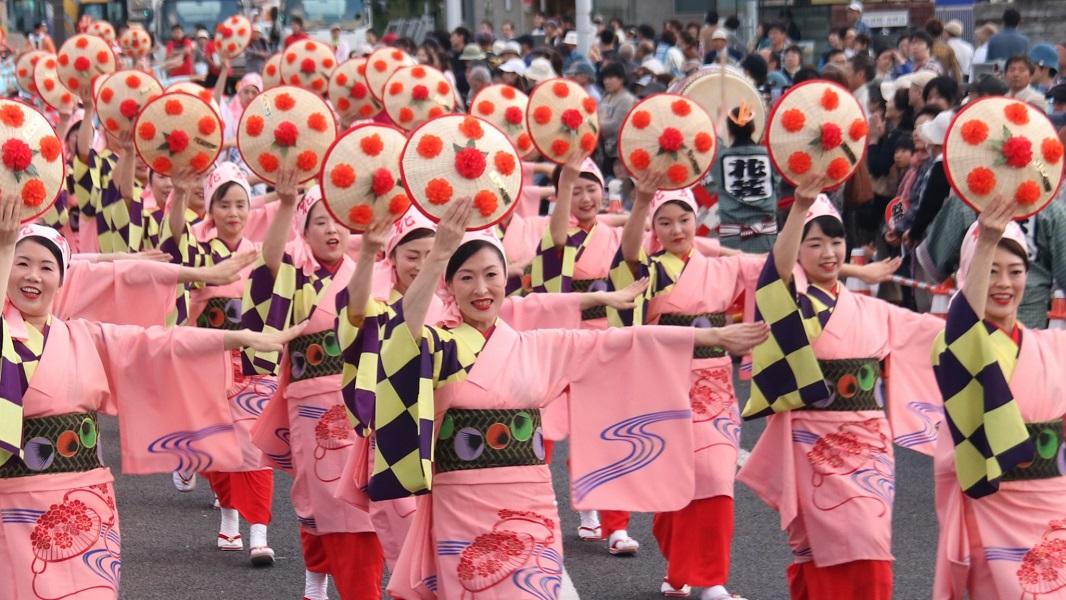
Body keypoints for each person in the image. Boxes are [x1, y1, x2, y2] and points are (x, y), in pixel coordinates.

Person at [360, 198, 769, 600]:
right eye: (466, 278)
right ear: (448, 286)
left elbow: (622, 341)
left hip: (530, 496)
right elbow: (402, 339)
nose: (481, 289)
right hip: (460, 499)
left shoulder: (539, 345)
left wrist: (711, 337)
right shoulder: (437, 343)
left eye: (490, 275)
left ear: (507, 279)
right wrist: (437, 258)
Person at [0, 194, 297, 600]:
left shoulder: (86, 334)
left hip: (87, 496)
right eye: (22, 263)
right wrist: (3, 244)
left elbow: (158, 344)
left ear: (63, 280)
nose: (33, 276)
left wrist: (237, 337)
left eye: (46, 267)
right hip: (14, 506)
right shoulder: (5, 336)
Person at [738, 173, 944, 600]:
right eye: (814, 244)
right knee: (819, 546)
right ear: (797, 251)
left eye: (835, 242)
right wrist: (800, 205)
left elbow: (944, 337)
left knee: (869, 540)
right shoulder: (790, 304)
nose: (829, 253)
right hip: (812, 441)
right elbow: (774, 274)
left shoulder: (873, 310)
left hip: (870, 444)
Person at [612, 176, 765, 600]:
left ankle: (711, 581)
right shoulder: (654, 272)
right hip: (667, 385)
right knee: (677, 483)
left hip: (716, 387)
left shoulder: (722, 267)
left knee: (716, 476)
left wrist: (804, 210)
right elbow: (627, 257)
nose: (677, 230)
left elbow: (780, 268)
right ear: (654, 230)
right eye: (665, 223)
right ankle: (680, 569)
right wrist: (641, 200)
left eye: (684, 219)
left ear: (697, 221)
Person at [242, 170, 387, 600]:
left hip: (361, 404)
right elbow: (269, 263)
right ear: (303, 233)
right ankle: (315, 579)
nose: (331, 229)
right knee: (315, 494)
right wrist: (286, 205)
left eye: (338, 220)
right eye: (319, 221)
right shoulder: (295, 274)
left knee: (361, 501)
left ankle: (354, 588)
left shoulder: (370, 270)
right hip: (308, 402)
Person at [931, 195, 1066, 599]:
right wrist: (986, 237)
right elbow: (963, 333)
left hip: (1053, 504)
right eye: (990, 272)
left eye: (1015, 271)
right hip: (994, 508)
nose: (1005, 284)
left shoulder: (1053, 345)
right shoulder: (955, 345)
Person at [164, 163, 278, 566]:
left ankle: (259, 533)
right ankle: (229, 514)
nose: (233, 212)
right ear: (211, 209)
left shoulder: (262, 252)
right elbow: (174, 246)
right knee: (218, 444)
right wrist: (178, 195)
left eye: (241, 204)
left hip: (255, 359)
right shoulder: (200, 249)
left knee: (253, 444)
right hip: (208, 356)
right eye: (224, 204)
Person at [711, 104, 778, 253]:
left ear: (730, 130)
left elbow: (713, 142)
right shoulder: (770, 156)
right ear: (754, 128)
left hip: (731, 241)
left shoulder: (720, 157)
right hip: (766, 239)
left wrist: (719, 122)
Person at [597, 62, 636, 177]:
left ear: (621, 79)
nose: (606, 81)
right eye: (605, 78)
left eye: (610, 78)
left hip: (616, 153)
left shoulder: (626, 99)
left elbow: (616, 125)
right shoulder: (606, 96)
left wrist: (595, 126)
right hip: (603, 148)